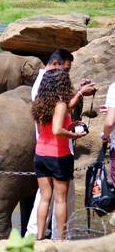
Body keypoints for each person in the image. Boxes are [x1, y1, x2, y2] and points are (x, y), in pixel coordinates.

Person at [26, 49, 96, 239]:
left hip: (40, 154)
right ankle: (61, 239)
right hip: (59, 155)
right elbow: (57, 129)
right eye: (66, 74)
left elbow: (46, 127)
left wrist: (76, 99)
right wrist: (73, 134)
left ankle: (38, 237)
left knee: (44, 198)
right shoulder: (60, 103)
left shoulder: (41, 100)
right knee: (61, 200)